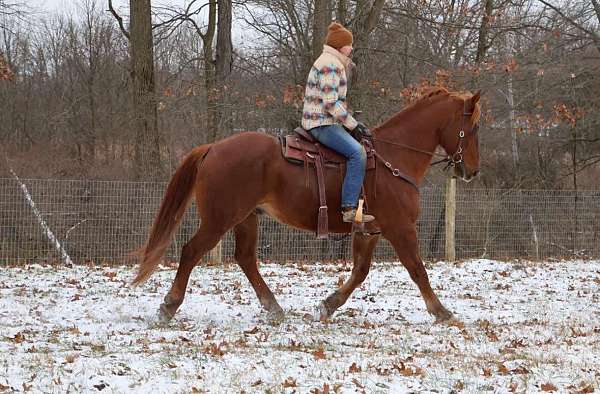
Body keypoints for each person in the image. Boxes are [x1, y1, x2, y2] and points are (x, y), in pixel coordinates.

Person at [302, 22, 375, 223]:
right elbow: (330, 103)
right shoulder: (330, 64)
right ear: (340, 45)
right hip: (321, 123)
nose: (352, 48)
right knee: (357, 153)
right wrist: (353, 124)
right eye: (349, 44)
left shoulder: (332, 61)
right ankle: (349, 208)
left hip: (326, 121)